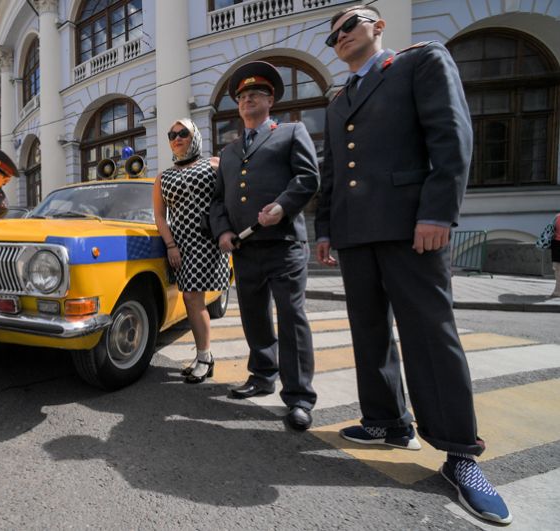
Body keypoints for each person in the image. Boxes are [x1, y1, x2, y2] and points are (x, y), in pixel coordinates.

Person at [314, 5, 512, 524]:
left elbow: (451, 138)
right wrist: (327, 231)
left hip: (412, 228)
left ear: (378, 26)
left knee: (429, 333)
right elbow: (334, 169)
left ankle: (460, 454)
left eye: (349, 24)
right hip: (356, 234)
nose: (340, 36)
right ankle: (386, 421)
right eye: (332, 34)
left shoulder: (419, 62)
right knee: (368, 330)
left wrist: (438, 213)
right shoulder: (338, 101)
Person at [210, 61, 320, 431]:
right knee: (254, 316)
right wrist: (223, 232)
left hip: (283, 244)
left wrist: (284, 206)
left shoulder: (291, 132)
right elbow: (218, 200)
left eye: (254, 94)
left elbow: (308, 178)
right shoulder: (228, 151)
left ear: (270, 100)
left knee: (291, 318)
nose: (247, 100)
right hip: (244, 249)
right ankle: (261, 375)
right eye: (242, 96)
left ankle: (300, 397)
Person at [153, 119, 231, 384]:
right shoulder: (163, 177)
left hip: (209, 240)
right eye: (172, 134)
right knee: (191, 300)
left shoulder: (214, 164)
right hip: (182, 244)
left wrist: (228, 232)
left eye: (183, 133)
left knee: (194, 300)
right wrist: (171, 245)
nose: (177, 138)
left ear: (194, 135)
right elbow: (160, 218)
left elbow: (228, 199)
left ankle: (205, 357)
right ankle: (203, 357)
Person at [551, 213, 560, 297]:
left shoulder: (557, 217)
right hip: (556, 245)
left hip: (557, 245)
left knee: (557, 270)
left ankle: (557, 291)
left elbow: (550, 231)